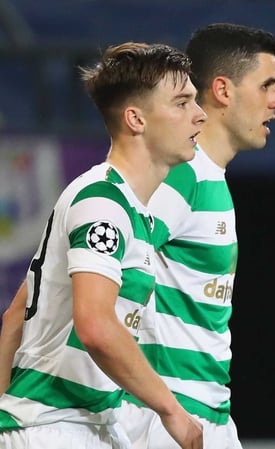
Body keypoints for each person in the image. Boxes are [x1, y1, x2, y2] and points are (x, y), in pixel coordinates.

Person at [0, 42, 207, 448]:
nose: (199, 115)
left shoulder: (129, 209)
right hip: (55, 431)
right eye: (182, 102)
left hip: (84, 427)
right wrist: (172, 411)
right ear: (136, 118)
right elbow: (94, 326)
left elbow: (14, 318)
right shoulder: (103, 204)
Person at [116, 23, 275, 449]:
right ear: (224, 91)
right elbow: (101, 277)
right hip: (169, 419)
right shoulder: (182, 176)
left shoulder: (207, 179)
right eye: (267, 85)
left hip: (207, 415)